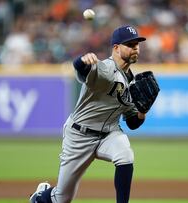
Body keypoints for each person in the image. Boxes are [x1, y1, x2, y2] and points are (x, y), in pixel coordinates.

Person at [30, 25, 148, 203]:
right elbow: (81, 69)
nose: (135, 48)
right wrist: (82, 60)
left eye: (137, 44)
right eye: (130, 44)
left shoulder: (131, 82)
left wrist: (143, 112)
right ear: (116, 48)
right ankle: (40, 197)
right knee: (62, 198)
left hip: (109, 135)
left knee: (125, 155)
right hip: (80, 135)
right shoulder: (106, 69)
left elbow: (132, 123)